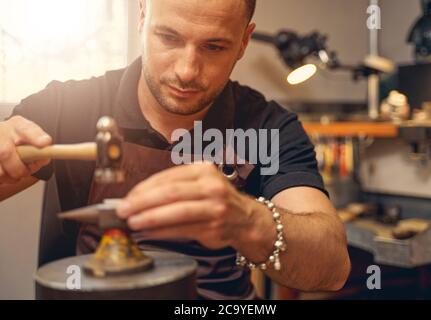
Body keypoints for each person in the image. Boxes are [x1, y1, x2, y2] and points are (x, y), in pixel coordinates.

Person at [0, 0, 350, 299]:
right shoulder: (67, 106)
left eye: (214, 47)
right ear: (142, 16)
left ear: (244, 41)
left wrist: (246, 220)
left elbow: (332, 268)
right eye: (169, 37)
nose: (186, 71)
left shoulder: (269, 127)